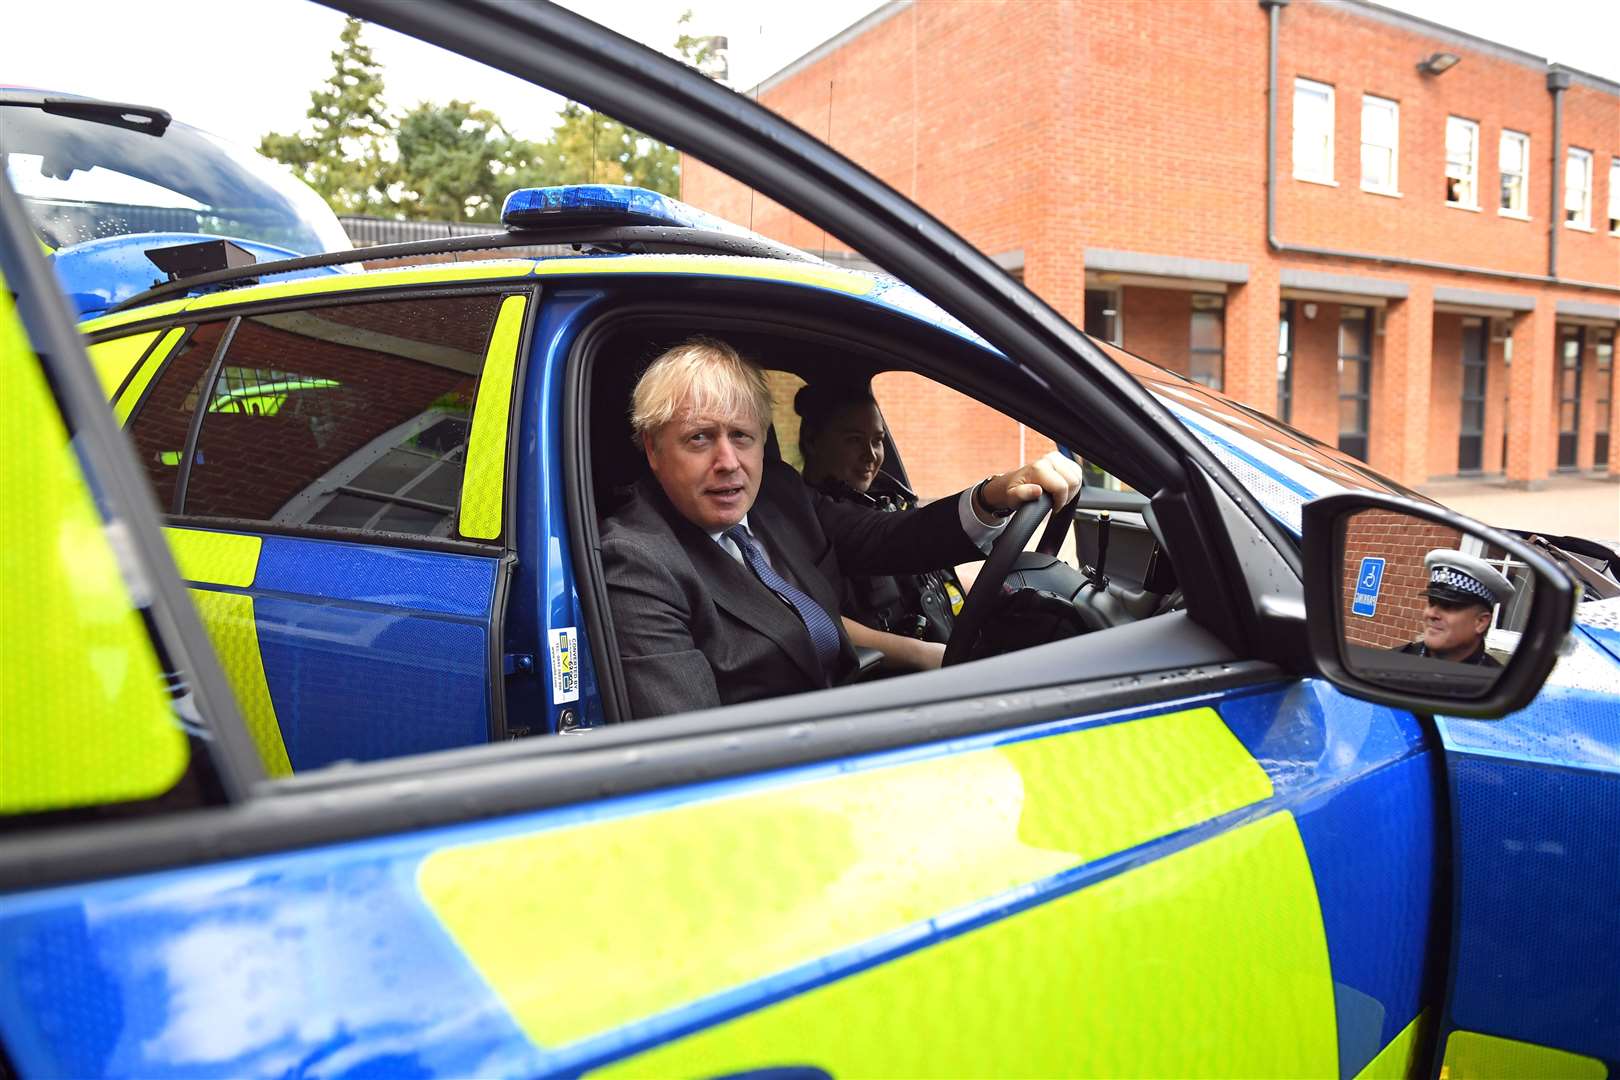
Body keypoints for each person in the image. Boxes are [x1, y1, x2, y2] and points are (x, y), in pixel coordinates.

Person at [600, 336, 1081, 719]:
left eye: (742, 436)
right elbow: (692, 753)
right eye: (699, 438)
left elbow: (886, 537)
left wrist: (993, 495)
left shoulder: (778, 496)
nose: (728, 463)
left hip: (860, 706)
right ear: (653, 449)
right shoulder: (638, 561)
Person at [794, 380, 960, 673]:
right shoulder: (802, 520)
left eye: (878, 440)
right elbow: (815, 616)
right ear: (812, 441)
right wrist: (923, 654)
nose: (871, 455)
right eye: (854, 440)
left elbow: (937, 577)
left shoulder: (887, 498)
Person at [1395, 549, 1514, 667]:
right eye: (1431, 603)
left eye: (1448, 606)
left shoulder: (1501, 681)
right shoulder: (1394, 661)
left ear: (1481, 622)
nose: (1432, 614)